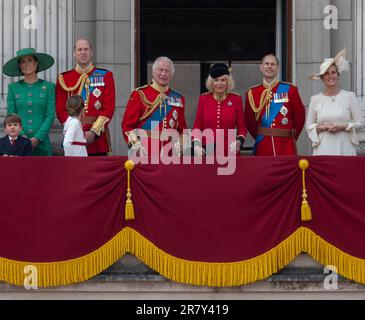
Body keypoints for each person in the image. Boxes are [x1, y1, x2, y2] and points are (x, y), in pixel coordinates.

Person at [56, 38, 115, 156]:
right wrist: (75, 129)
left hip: (98, 140)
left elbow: (108, 108)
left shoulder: (106, 76)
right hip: (74, 138)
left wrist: (94, 131)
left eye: (86, 49)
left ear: (91, 52)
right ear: (74, 53)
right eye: (79, 49)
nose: (83, 52)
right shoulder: (64, 78)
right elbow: (60, 109)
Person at [122, 56, 188, 156]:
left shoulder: (178, 98)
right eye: (160, 70)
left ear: (171, 75)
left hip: (171, 154)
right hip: (145, 151)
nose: (163, 74)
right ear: (153, 72)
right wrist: (136, 146)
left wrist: (182, 145)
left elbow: (182, 130)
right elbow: (127, 126)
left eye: (167, 71)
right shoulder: (140, 94)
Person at [244, 54, 305, 156]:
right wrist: (262, 135)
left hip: (285, 146)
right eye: (266, 64)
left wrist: (289, 136)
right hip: (263, 146)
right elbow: (249, 121)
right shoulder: (252, 93)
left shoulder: (290, 90)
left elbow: (300, 118)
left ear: (277, 68)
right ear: (261, 67)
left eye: (273, 64)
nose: (269, 66)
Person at [306, 48, 364, 155]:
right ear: (322, 78)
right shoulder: (315, 99)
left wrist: (342, 126)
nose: (330, 76)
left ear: (338, 75)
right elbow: (309, 126)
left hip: (345, 148)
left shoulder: (349, 96)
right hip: (323, 149)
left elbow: (360, 123)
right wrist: (323, 127)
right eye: (326, 74)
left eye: (333, 72)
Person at [3, 48, 55, 156]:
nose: (26, 64)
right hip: (19, 143)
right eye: (23, 61)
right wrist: (23, 136)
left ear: (36, 64)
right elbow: (11, 116)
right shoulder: (13, 88)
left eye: (30, 60)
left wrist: (38, 138)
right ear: (20, 67)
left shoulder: (49, 87)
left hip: (42, 143)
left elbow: (50, 115)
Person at [192, 63, 247, 156]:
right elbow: (197, 126)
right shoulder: (203, 99)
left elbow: (242, 128)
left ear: (228, 82)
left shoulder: (236, 99)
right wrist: (196, 144)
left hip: (229, 152)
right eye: (216, 80)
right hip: (207, 152)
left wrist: (239, 141)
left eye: (223, 80)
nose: (219, 84)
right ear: (211, 82)